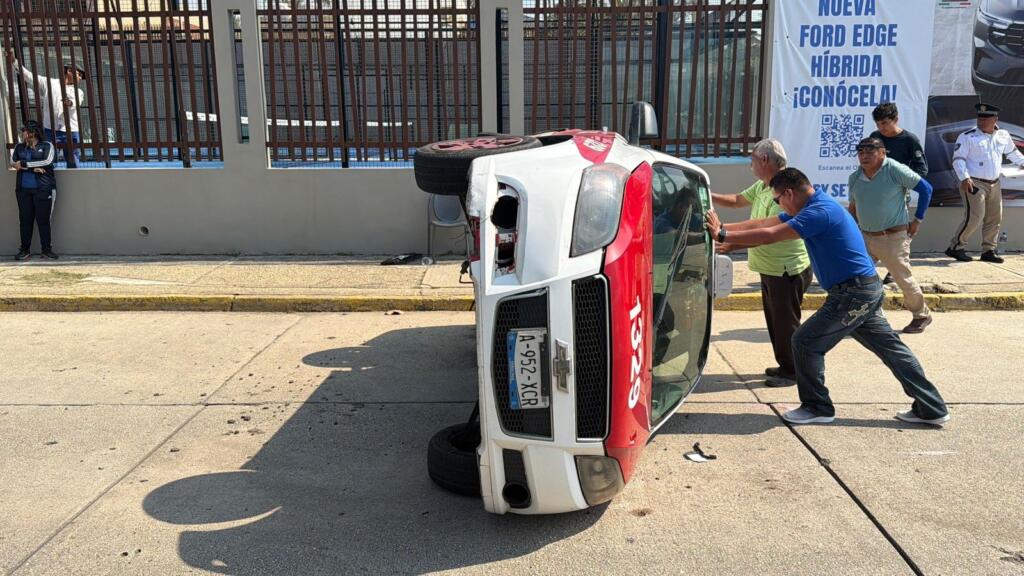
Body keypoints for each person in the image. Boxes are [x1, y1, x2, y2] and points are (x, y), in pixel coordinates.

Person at [704, 168, 949, 427]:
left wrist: (723, 235)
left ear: (788, 193)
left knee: (805, 342)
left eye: (777, 200)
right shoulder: (815, 206)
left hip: (853, 294)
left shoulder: (818, 212)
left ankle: (817, 407)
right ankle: (931, 407)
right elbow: (766, 223)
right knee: (891, 350)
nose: (778, 205)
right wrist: (726, 231)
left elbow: (771, 235)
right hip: (862, 290)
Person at [711, 138, 811, 385]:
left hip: (785, 269)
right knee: (775, 322)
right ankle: (785, 364)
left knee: (786, 323)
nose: (751, 166)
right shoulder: (764, 185)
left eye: (752, 160)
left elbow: (765, 232)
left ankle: (793, 371)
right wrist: (705, 193)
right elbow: (737, 201)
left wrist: (726, 236)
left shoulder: (785, 190)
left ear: (764, 159)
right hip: (769, 267)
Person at [847, 137, 933, 334]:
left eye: (870, 151)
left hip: (893, 237)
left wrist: (917, 220)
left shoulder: (894, 169)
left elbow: (926, 189)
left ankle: (922, 314)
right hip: (866, 237)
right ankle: (867, 315)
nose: (864, 156)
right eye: (861, 152)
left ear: (883, 152)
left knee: (902, 278)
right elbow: (853, 208)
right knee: (857, 277)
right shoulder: (855, 178)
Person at [945, 102, 1024, 263]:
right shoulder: (967, 136)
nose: (981, 121)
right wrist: (965, 177)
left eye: (986, 118)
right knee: (975, 217)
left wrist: (1022, 162)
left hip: (995, 183)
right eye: (980, 118)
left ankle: (989, 250)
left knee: (994, 218)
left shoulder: (1003, 135)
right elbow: (958, 159)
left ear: (995, 119)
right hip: (974, 182)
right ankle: (956, 247)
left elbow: (1013, 153)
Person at [7, 48, 86, 167]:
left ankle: (75, 183)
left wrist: (69, 103)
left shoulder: (78, 91)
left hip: (71, 130)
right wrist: (15, 62)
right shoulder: (51, 83)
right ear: (69, 71)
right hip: (50, 128)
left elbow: (77, 101)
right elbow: (29, 76)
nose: (80, 78)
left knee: (73, 160)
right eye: (79, 74)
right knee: (48, 160)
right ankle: (49, 182)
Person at [10, 120, 58, 260]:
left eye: (24, 130)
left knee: (43, 220)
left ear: (32, 132)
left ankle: (46, 250)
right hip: (23, 190)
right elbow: (13, 163)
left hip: (43, 189)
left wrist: (25, 164)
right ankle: (24, 250)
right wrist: (33, 168)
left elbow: (47, 162)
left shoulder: (47, 146)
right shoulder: (19, 147)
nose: (22, 133)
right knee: (25, 220)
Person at [868, 102, 928, 178]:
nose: (881, 127)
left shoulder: (910, 139)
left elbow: (921, 169)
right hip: (876, 185)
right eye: (877, 124)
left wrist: (905, 182)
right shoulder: (874, 136)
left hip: (899, 186)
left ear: (896, 119)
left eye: (884, 123)